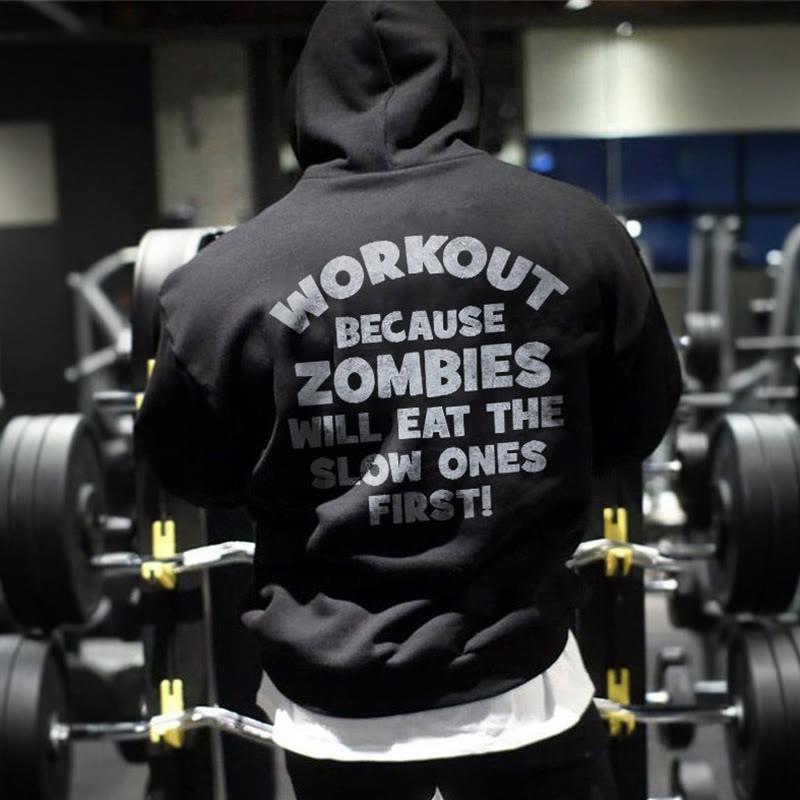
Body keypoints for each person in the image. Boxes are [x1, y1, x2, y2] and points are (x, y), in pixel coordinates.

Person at [135, 2, 682, 798]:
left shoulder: (219, 283)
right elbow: (634, 426)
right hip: (523, 683)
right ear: (459, 81)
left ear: (307, 97)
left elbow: (194, 471)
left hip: (336, 707)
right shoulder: (582, 234)